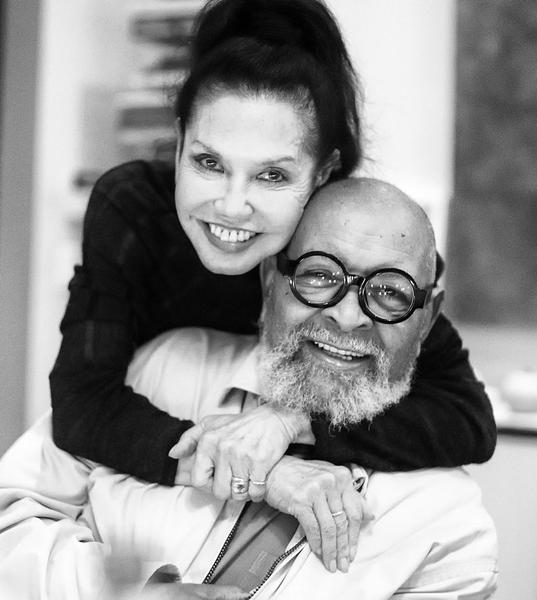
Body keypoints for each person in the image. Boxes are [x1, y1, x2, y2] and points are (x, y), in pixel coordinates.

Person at [49, 0, 495, 562]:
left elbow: (466, 417)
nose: (232, 206)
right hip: (135, 504)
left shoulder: (337, 239)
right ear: (180, 141)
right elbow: (82, 403)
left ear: (322, 175)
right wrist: (262, 472)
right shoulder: (132, 210)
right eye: (209, 163)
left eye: (273, 175)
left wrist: (294, 420)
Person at [0, 178, 497, 600]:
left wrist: (291, 420)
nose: (348, 317)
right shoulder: (163, 369)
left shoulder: (447, 526)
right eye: (319, 275)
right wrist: (131, 594)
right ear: (269, 279)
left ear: (427, 317)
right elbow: (11, 529)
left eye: (390, 292)